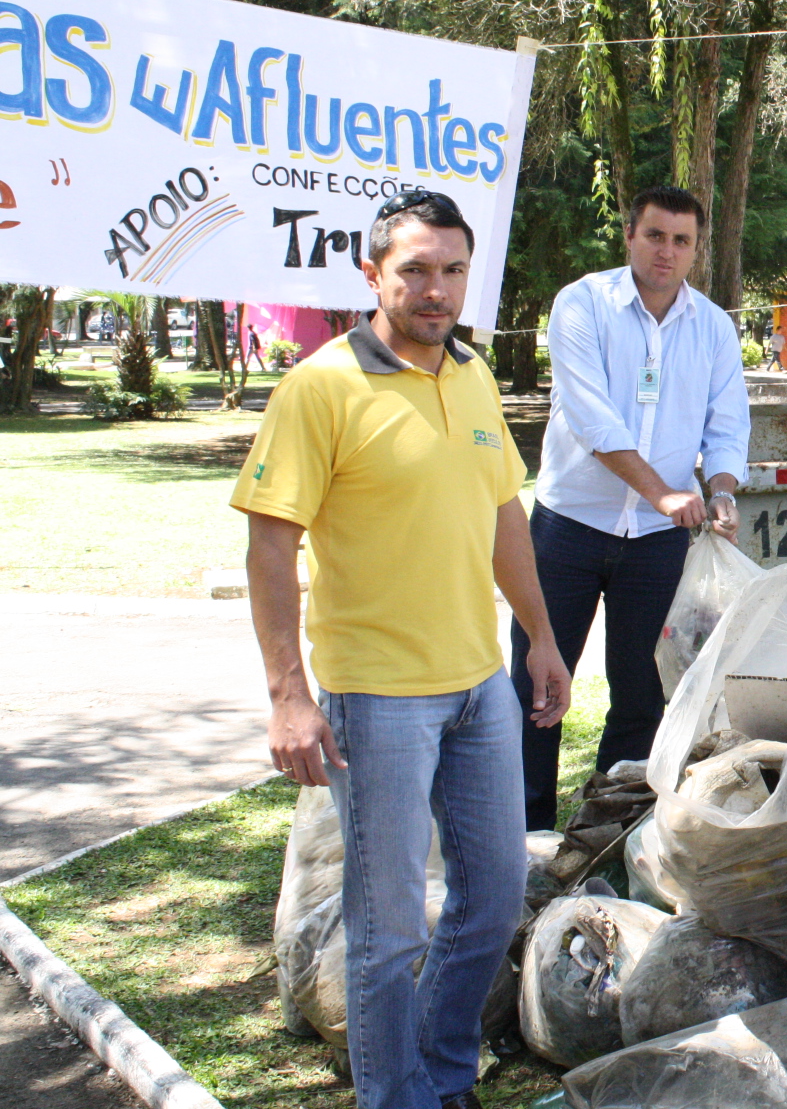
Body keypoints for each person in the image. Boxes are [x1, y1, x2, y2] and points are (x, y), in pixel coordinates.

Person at [232, 189, 573, 1109]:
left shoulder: (472, 374)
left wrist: (542, 638)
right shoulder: (320, 387)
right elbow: (271, 546)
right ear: (372, 273)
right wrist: (288, 695)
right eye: (415, 269)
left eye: (453, 270)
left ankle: (443, 1074)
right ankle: (398, 1097)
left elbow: (504, 516)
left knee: (493, 900)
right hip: (376, 697)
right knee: (387, 932)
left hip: (480, 686)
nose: (437, 289)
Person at [512, 184, 750, 831]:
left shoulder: (713, 327)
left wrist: (721, 491)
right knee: (537, 688)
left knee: (642, 696)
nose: (666, 251)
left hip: (657, 542)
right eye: (655, 235)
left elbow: (727, 424)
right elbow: (591, 417)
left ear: (696, 250)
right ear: (629, 235)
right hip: (567, 529)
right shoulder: (582, 303)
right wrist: (663, 492)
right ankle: (528, 838)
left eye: (681, 241)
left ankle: (606, 833)